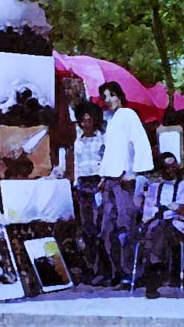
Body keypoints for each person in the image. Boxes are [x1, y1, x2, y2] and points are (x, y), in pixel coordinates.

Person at [97, 81, 154, 285]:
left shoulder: (129, 114)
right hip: (110, 180)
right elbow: (111, 151)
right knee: (107, 229)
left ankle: (132, 273)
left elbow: (139, 142)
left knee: (125, 226)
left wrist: (134, 171)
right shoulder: (109, 121)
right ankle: (118, 271)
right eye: (104, 97)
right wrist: (103, 176)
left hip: (124, 179)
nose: (108, 100)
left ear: (118, 95)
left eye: (111, 95)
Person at [141, 152, 184, 299]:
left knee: (162, 230)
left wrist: (170, 209)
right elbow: (148, 212)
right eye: (167, 167)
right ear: (161, 169)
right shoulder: (154, 188)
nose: (170, 170)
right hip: (156, 225)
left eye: (173, 166)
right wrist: (165, 209)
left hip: (176, 228)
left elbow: (182, 208)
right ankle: (156, 271)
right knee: (158, 229)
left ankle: (153, 273)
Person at [73, 102, 105, 281]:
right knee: (86, 227)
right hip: (82, 183)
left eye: (89, 120)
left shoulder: (101, 139)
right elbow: (75, 163)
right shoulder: (78, 141)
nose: (86, 124)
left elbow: (105, 160)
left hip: (96, 182)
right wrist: (75, 183)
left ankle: (102, 268)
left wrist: (102, 180)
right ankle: (91, 266)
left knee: (98, 223)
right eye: (83, 121)